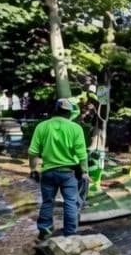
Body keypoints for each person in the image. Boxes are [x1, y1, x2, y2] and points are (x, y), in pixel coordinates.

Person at [29, 98, 89, 241]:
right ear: (69, 113)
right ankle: (70, 235)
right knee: (70, 202)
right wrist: (85, 172)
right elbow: (82, 154)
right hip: (69, 173)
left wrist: (33, 169)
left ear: (55, 110)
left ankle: (45, 232)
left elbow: (33, 152)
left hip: (48, 172)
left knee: (47, 202)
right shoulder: (75, 128)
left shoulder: (42, 126)